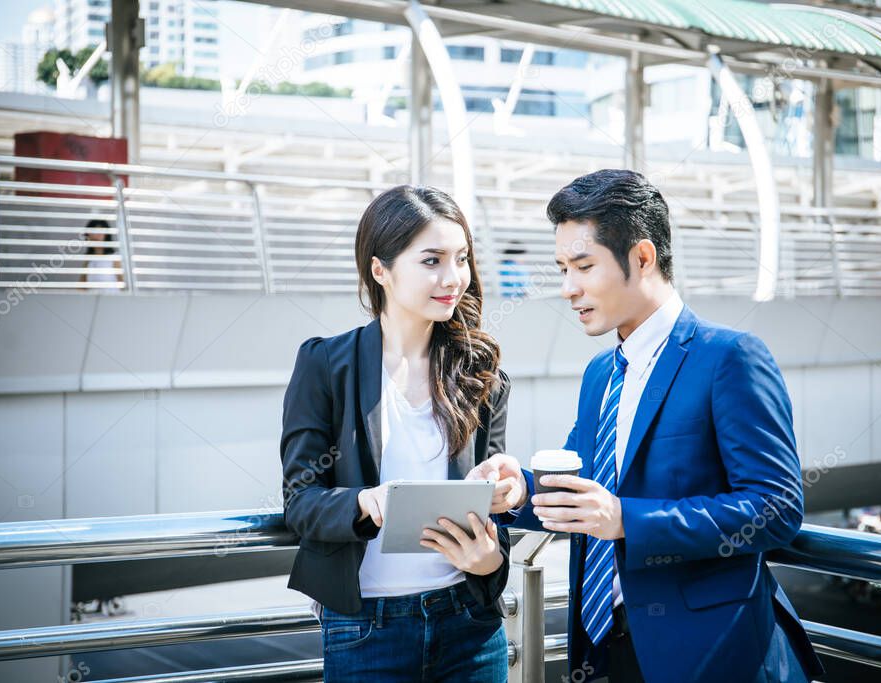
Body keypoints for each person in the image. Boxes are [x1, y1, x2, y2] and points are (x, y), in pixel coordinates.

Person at [469, 170, 824, 683]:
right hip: (602, 649)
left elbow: (776, 507)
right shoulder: (599, 374)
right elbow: (583, 492)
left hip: (707, 652)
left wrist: (625, 519)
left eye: (583, 266)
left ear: (641, 257)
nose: (568, 289)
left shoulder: (729, 357)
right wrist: (519, 489)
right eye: (562, 268)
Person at [280, 185, 513, 682]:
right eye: (432, 260)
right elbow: (300, 502)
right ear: (380, 270)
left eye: (462, 259)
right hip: (366, 629)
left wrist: (493, 552)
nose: (453, 278)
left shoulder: (479, 369)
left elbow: (495, 509)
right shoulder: (326, 365)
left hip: (469, 622)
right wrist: (367, 502)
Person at [80, 219, 123, 289]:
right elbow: (81, 288)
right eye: (92, 232)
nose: (95, 236)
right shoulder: (88, 261)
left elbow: (124, 286)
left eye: (99, 232)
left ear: (106, 235)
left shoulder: (114, 258)